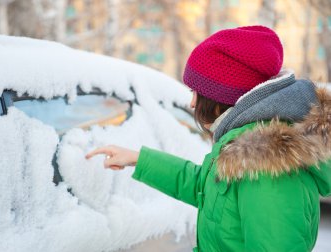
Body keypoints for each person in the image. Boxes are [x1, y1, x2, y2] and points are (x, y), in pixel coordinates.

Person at [85, 26, 331, 251]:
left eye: (197, 92)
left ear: (223, 95)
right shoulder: (249, 148)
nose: (192, 103)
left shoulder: (268, 165)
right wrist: (139, 160)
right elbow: (207, 187)